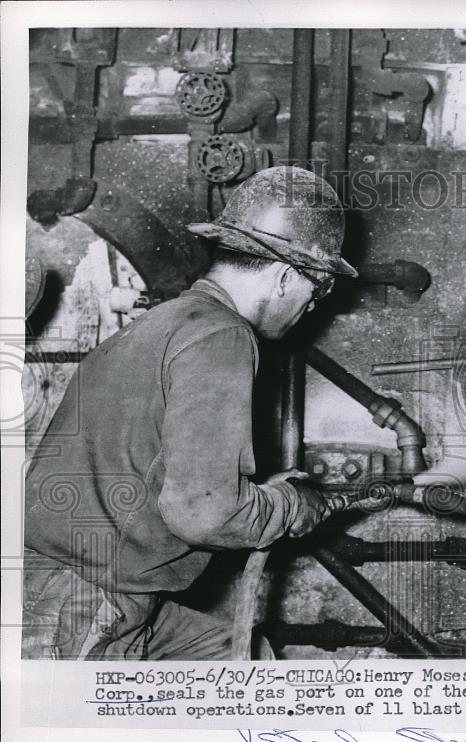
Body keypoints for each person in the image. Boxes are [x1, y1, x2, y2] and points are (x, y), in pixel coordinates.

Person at [21, 166, 357, 660]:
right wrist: (290, 508)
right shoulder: (223, 336)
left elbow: (153, 470)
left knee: (244, 658)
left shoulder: (162, 323)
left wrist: (261, 494)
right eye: (317, 293)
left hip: (66, 582)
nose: (311, 310)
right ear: (286, 277)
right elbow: (203, 514)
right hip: (79, 602)